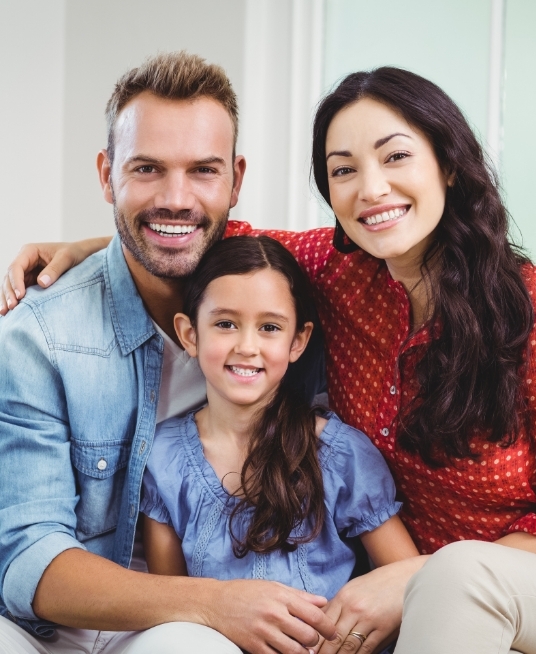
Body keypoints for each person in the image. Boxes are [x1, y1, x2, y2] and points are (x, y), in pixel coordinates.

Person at [8, 65, 536, 653]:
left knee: (457, 578)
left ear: (450, 166)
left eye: (396, 157)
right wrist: (88, 248)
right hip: (402, 593)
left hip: (516, 585)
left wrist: (413, 576)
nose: (371, 189)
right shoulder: (340, 274)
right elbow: (208, 240)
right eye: (344, 170)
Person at [0, 52, 342, 654]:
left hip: (178, 634)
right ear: (108, 175)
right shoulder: (39, 336)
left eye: (203, 170)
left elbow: (380, 244)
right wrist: (213, 601)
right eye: (149, 169)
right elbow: (29, 557)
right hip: (50, 630)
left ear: (236, 179)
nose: (177, 198)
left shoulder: (284, 302)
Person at [140, 235, 417, 654]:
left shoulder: (340, 455)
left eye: (269, 327)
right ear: (189, 334)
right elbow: (171, 612)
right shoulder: (162, 459)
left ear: (298, 341)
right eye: (225, 323)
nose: (247, 346)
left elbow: (408, 581)